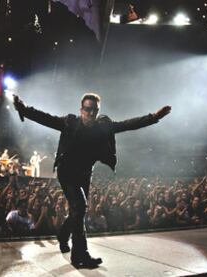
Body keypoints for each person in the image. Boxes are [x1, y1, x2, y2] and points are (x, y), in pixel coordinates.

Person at [13, 92, 171, 268]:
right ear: (81, 110)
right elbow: (44, 118)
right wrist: (24, 109)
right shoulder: (70, 123)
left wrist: (154, 117)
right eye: (87, 109)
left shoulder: (102, 127)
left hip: (84, 174)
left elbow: (127, 124)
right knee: (80, 207)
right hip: (66, 172)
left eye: (94, 110)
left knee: (77, 210)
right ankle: (80, 255)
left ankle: (63, 235)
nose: (90, 113)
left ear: (97, 112)